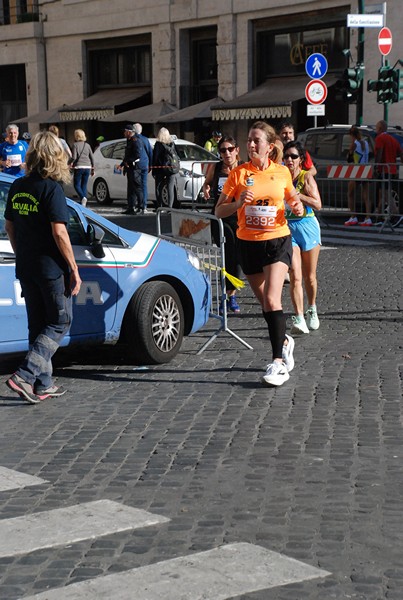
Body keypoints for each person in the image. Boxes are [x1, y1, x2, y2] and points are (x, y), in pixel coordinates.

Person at [215, 121, 304, 387]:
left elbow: (292, 199)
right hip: (248, 243)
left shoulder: (282, 172)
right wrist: (238, 202)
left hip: (277, 240)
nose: (251, 145)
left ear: (269, 145)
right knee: (266, 303)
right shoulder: (238, 174)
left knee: (272, 298)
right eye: (249, 141)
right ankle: (285, 341)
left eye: (256, 141)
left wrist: (297, 206)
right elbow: (218, 211)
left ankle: (277, 362)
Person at [4, 130, 82, 404]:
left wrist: (21, 252)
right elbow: (60, 233)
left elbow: (9, 226)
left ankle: (42, 383)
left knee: (37, 326)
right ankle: (25, 375)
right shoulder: (51, 189)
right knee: (60, 321)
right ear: (55, 157)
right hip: (50, 269)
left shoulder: (17, 186)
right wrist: (73, 268)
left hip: (26, 266)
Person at [283, 140, 322, 335]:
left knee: (310, 277)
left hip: (307, 226)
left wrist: (299, 195)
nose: (289, 160)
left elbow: (318, 204)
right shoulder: (280, 177)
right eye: (286, 156)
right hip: (288, 228)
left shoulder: (306, 178)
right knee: (294, 275)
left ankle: (312, 308)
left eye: (293, 156)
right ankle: (298, 317)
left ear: (300, 160)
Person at [203, 135, 243, 313]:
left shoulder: (244, 169)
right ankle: (226, 296)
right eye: (222, 150)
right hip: (219, 219)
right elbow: (207, 183)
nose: (227, 153)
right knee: (225, 259)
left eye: (230, 149)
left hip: (240, 219)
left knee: (237, 259)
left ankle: (231, 294)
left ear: (237, 150)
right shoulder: (216, 167)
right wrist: (206, 188)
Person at [374, 119, 403, 218]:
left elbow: (379, 152)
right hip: (392, 169)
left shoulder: (380, 138)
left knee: (385, 193)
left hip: (384, 169)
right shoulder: (393, 139)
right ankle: (379, 215)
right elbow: (400, 152)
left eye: (376, 128)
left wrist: (376, 167)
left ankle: (395, 213)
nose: (375, 130)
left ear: (380, 128)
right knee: (382, 192)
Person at [344, 126, 371, 227]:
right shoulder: (366, 143)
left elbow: (349, 158)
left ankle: (353, 216)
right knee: (366, 195)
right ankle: (368, 218)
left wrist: (348, 154)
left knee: (350, 194)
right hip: (365, 169)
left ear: (351, 135)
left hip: (357, 170)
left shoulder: (354, 144)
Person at [116, 124, 144, 214]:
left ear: (129, 132)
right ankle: (130, 207)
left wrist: (129, 162)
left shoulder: (136, 141)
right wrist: (122, 164)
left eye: (125, 131)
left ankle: (141, 208)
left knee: (137, 188)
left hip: (135, 168)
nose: (124, 133)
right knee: (130, 189)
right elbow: (127, 155)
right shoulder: (129, 140)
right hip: (130, 168)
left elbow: (137, 155)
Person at [152, 127, 179, 209]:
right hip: (171, 168)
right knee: (170, 188)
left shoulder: (158, 144)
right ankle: (170, 207)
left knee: (159, 187)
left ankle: (159, 206)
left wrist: (154, 170)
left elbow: (155, 158)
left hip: (160, 168)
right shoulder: (172, 143)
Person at [71, 129, 94, 207]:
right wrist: (93, 168)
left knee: (76, 185)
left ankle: (83, 197)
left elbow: (74, 157)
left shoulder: (75, 145)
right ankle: (84, 203)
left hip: (79, 167)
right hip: (88, 167)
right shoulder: (87, 145)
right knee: (84, 185)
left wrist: (68, 163)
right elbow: (92, 157)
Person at [134, 122, 153, 212]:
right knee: (144, 185)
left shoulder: (134, 139)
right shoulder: (145, 139)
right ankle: (144, 204)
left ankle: (139, 204)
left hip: (136, 165)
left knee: (137, 186)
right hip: (145, 164)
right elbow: (150, 152)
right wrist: (150, 165)